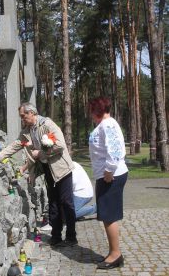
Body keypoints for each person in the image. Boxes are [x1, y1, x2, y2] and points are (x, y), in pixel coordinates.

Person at [0, 102, 77, 247]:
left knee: (66, 202)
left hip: (61, 169)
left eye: (23, 116)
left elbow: (60, 145)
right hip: (48, 170)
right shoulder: (27, 131)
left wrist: (40, 152)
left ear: (32, 113)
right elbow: (14, 145)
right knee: (53, 202)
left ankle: (71, 236)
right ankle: (56, 236)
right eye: (21, 117)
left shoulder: (47, 124)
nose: (22, 119)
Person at [88, 97, 128, 270]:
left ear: (97, 110)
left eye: (91, 110)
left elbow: (115, 149)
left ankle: (115, 254)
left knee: (109, 216)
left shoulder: (108, 124)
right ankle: (114, 252)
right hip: (106, 175)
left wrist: (109, 171)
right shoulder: (103, 125)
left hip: (110, 175)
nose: (90, 114)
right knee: (106, 215)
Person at [40, 161, 96, 230]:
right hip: (77, 192)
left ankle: (96, 208)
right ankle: (77, 213)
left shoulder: (68, 166)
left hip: (82, 193)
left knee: (69, 213)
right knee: (66, 211)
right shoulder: (68, 164)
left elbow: (68, 186)